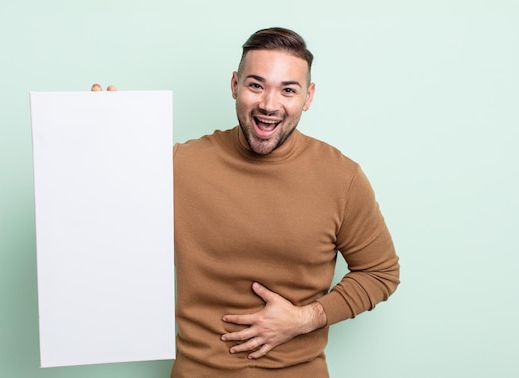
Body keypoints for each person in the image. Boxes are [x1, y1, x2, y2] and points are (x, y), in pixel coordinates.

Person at [94, 26, 399, 377]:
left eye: (288, 90)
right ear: (235, 85)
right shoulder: (176, 166)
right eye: (256, 85)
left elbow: (381, 272)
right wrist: (99, 126)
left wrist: (305, 318)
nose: (269, 104)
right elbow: (100, 211)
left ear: (309, 96)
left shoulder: (341, 178)